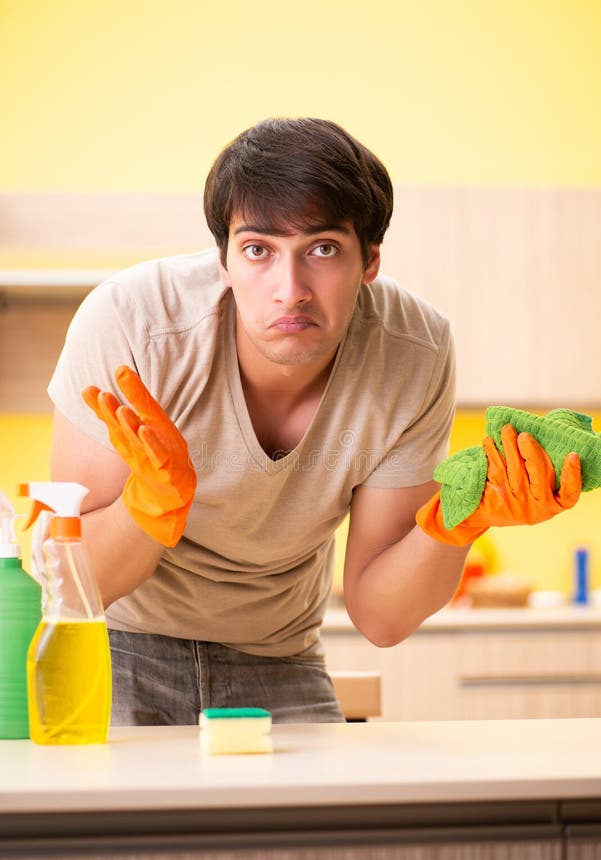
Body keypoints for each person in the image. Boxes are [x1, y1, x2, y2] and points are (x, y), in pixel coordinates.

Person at [48, 117, 582, 725]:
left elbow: (380, 618)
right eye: (258, 251)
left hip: (280, 657)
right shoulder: (134, 325)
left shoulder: (412, 351)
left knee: (323, 823)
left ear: (370, 260)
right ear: (222, 259)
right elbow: (66, 582)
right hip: (115, 649)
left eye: (322, 249)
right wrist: (145, 508)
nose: (290, 289)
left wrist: (463, 521)